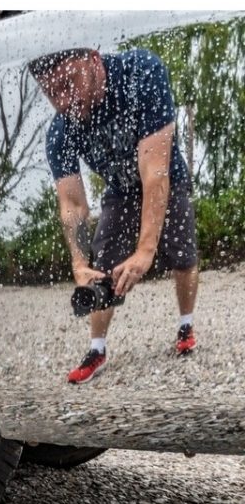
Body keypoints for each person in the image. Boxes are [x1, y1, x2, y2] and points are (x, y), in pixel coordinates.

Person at [29, 47, 199, 384]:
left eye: (69, 84)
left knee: (182, 255)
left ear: (93, 60)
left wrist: (145, 251)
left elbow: (154, 173)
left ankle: (185, 325)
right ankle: (97, 348)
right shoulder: (61, 131)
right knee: (99, 266)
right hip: (120, 190)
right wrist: (79, 262)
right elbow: (73, 205)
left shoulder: (141, 72)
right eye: (52, 94)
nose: (64, 101)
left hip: (166, 176)